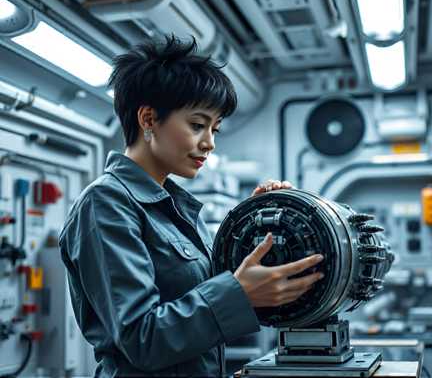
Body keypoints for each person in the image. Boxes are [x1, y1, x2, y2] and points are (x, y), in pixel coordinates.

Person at [59, 35, 324, 377]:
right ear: (149, 119)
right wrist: (238, 292)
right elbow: (143, 339)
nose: (209, 143)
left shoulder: (179, 210)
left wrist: (259, 227)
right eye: (197, 125)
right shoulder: (105, 204)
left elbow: (210, 298)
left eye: (214, 129)